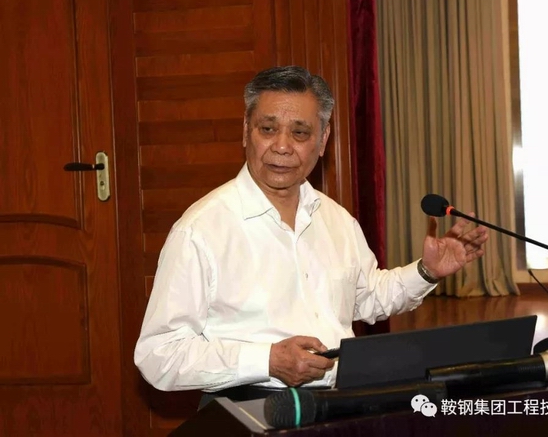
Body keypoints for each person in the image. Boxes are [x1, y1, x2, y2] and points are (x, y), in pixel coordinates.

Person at [134, 65, 488, 405]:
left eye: (300, 133)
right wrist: (267, 361)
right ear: (245, 131)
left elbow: (367, 298)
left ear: (323, 140)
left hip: (338, 402)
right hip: (246, 408)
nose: (282, 146)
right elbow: (158, 355)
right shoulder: (200, 229)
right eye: (267, 129)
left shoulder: (337, 220)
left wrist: (426, 272)